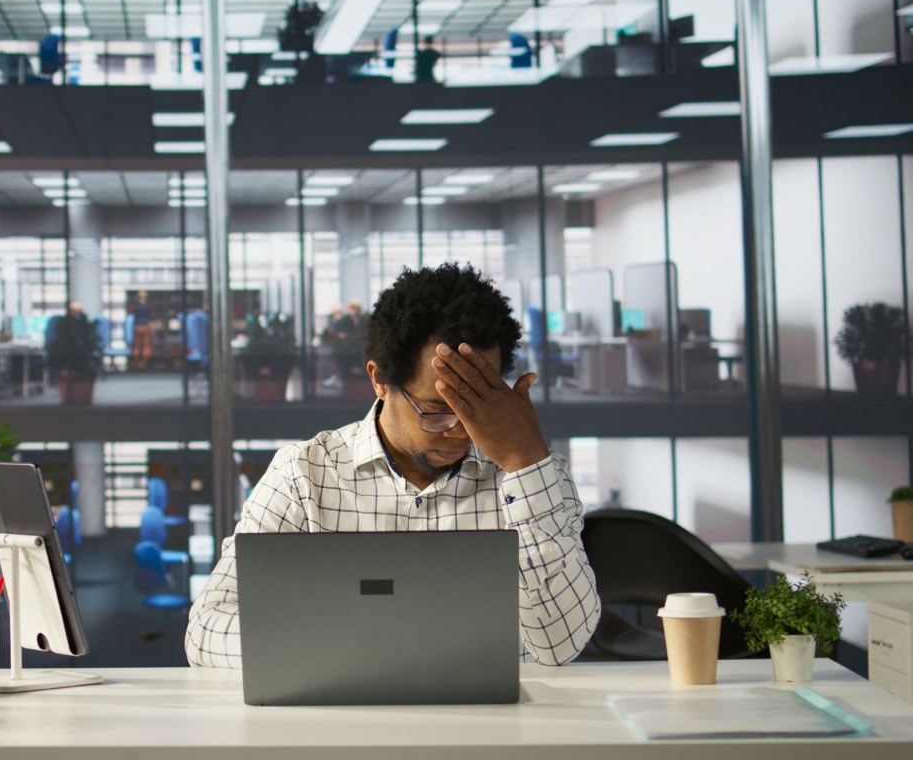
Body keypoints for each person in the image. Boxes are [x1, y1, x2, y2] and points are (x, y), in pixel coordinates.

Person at [185, 263, 600, 669]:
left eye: (476, 408)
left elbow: (559, 645)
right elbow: (206, 629)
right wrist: (352, 646)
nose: (461, 431)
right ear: (379, 380)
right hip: (346, 722)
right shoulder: (304, 473)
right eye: (438, 410)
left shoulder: (537, 476)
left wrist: (525, 461)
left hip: (496, 729)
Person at [129, 290, 154, 371]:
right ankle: (144, 364)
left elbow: (132, 316)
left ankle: (135, 364)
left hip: (137, 326)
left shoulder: (136, 305)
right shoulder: (148, 306)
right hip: (145, 326)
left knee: (136, 347)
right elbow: (149, 318)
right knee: (146, 346)